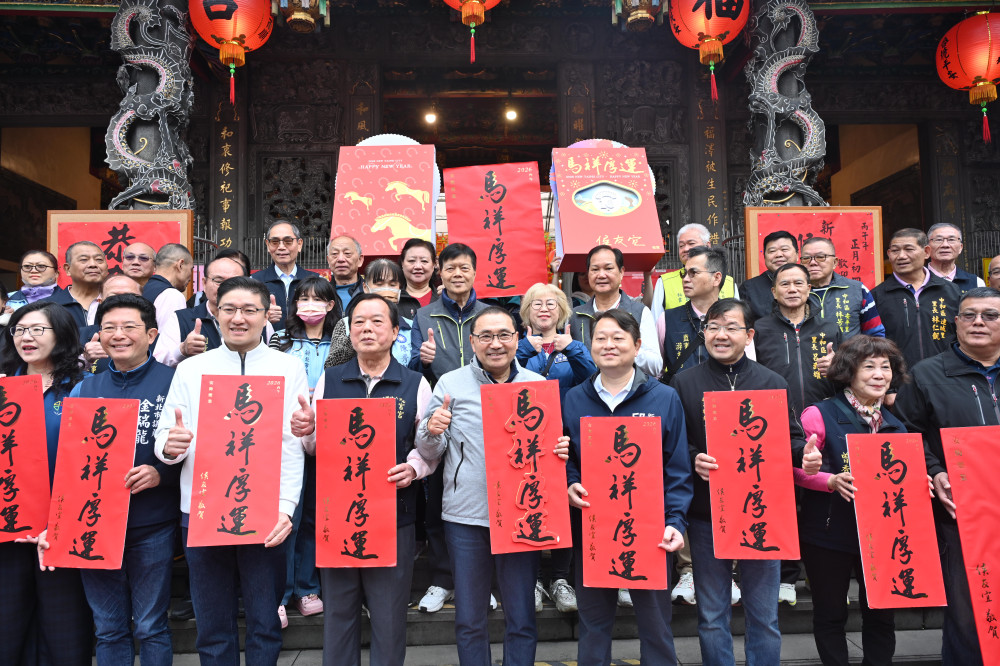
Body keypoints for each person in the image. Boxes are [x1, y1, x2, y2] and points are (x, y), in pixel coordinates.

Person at [154, 276, 308, 664]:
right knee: (212, 624)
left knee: (264, 621)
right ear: (215, 313)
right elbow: (168, 433)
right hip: (202, 511)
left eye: (249, 310)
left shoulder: (287, 368)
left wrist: (286, 507)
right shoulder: (192, 370)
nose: (238, 318)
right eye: (229, 309)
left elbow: (292, 446)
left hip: (267, 513)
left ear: (265, 314)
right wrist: (168, 448)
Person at [415, 306, 570, 666]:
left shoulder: (537, 387)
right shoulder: (451, 384)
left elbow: (550, 452)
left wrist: (562, 449)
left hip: (522, 515)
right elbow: (429, 451)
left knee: (521, 616)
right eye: (485, 336)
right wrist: (431, 430)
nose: (495, 344)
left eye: (504, 335)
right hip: (466, 516)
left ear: (518, 339)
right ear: (472, 342)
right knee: (470, 618)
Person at [670, 298, 821, 665]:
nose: (721, 335)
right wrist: (693, 459)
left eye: (731, 327)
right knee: (711, 613)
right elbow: (675, 442)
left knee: (764, 615)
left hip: (762, 512)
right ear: (703, 332)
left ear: (749, 335)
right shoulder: (684, 382)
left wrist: (806, 453)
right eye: (713, 326)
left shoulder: (771, 381)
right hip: (708, 512)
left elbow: (790, 436)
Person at [292, 293, 438, 666]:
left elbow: (427, 447)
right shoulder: (330, 380)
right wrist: (305, 431)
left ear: (394, 331)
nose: (367, 329)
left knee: (389, 617)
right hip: (339, 517)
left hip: (394, 516)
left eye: (377, 321)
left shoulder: (414, 384)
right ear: (348, 331)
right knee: (338, 614)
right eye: (358, 322)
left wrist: (415, 467)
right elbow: (313, 449)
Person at [563, 309, 692, 665]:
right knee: (593, 624)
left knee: (656, 626)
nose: (609, 345)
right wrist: (570, 482)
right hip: (594, 530)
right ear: (590, 347)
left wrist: (676, 521)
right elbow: (566, 457)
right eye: (600, 338)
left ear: (637, 346)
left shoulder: (663, 397)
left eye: (618, 338)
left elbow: (677, 468)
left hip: (650, 531)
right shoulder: (574, 399)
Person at [69, 293, 180, 665]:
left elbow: (201, 451)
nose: (118, 335)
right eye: (109, 328)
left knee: (150, 625)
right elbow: (71, 460)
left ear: (151, 335)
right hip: (95, 524)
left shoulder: (176, 383)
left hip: (152, 524)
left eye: (129, 327)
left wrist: (160, 472)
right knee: (108, 626)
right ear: (98, 336)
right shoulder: (85, 388)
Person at [893, 286, 1000, 666]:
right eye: (969, 315)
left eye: (990, 315)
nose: (978, 323)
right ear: (955, 322)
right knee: (969, 605)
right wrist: (934, 470)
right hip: (961, 510)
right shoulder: (926, 373)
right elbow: (904, 432)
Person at [796, 334, 907, 666]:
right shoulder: (819, 413)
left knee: (882, 615)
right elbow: (795, 471)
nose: (878, 375)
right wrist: (828, 480)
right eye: (869, 366)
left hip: (882, 535)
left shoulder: (895, 423)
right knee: (830, 614)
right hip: (829, 532)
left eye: (885, 368)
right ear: (848, 372)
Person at [0, 302, 91, 665]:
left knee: (63, 629)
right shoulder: (3, 386)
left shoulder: (82, 388)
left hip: (62, 528)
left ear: (62, 335)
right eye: (20, 330)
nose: (27, 337)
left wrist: (60, 521)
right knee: (7, 624)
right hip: (8, 526)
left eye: (38, 329)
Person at [408, 243, 489, 613]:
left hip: (484, 414)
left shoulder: (490, 314)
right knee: (439, 498)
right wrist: (421, 360)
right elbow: (413, 369)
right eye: (451, 268)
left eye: (465, 268)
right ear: (440, 272)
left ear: (475, 272)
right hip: (441, 414)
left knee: (484, 499)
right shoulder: (425, 316)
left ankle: (481, 581)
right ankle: (442, 578)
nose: (458, 274)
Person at [516, 282, 596, 613]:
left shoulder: (574, 346)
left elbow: (593, 379)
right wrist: (524, 349)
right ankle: (532, 578)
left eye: (552, 303)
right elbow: (504, 376)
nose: (544, 308)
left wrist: (573, 347)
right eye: (536, 303)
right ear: (526, 312)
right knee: (529, 504)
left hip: (565, 440)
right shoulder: (516, 345)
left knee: (563, 508)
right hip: (525, 439)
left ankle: (560, 578)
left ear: (562, 310)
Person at [268, 276, 338, 626]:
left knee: (314, 515)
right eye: (303, 299)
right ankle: (279, 593)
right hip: (286, 435)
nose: (309, 306)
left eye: (318, 300)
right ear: (293, 305)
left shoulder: (342, 340)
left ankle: (307, 588)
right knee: (287, 516)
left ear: (330, 305)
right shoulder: (280, 338)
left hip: (328, 436)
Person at [156, 251, 272, 367]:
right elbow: (157, 362)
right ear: (205, 283)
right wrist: (182, 350)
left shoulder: (260, 320)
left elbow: (274, 364)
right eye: (218, 281)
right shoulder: (181, 319)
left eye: (234, 282)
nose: (226, 288)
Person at [753, 263, 840, 416]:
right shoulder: (759, 329)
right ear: (774, 292)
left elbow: (852, 373)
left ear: (808, 289)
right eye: (784, 284)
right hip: (773, 413)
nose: (792, 289)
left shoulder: (830, 329)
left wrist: (839, 366)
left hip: (824, 414)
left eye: (798, 283)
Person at [568, 245, 662, 378]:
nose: (601, 275)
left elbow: (655, 366)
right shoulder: (575, 315)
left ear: (621, 272)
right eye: (595, 269)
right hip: (587, 394)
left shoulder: (639, 312)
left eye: (608, 268)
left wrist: (626, 350)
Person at [872, 228, 961, 369]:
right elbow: (872, 346)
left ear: (926, 252)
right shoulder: (877, 296)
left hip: (946, 379)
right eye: (895, 251)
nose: (901, 256)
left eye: (909, 249)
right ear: (889, 254)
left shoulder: (951, 291)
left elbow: (961, 338)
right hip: (899, 383)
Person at [326, 259, 415, 369]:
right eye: (379, 284)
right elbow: (332, 366)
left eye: (392, 284)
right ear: (365, 288)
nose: (386, 289)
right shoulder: (345, 324)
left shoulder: (411, 326)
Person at [659, 245, 727, 382]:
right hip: (679, 399)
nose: (685, 279)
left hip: (721, 398)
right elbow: (656, 370)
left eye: (693, 273)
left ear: (716, 278)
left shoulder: (734, 319)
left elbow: (747, 367)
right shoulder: (667, 319)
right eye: (684, 274)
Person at [646, 223, 738, 320]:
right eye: (681, 245)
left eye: (691, 243)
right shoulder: (665, 282)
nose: (685, 249)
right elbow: (656, 323)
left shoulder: (729, 283)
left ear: (707, 245)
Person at [801, 236, 885, 339]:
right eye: (806, 258)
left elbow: (875, 334)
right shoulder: (795, 292)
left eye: (820, 257)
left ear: (835, 262)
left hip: (849, 355)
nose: (813, 262)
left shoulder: (857, 290)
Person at [253, 220, 324, 329]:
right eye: (275, 242)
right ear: (267, 245)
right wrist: (263, 316)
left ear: (299, 244)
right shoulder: (254, 282)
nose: (281, 247)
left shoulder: (316, 281)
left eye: (288, 241)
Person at [80, 274, 144, 374]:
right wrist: (85, 360)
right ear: (100, 302)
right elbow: (57, 377)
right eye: (113, 297)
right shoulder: (80, 335)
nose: (121, 302)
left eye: (129, 296)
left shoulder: (155, 336)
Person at [42, 240, 108, 327]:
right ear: (67, 269)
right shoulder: (46, 306)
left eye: (99, 260)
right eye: (84, 260)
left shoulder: (115, 303)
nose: (93, 264)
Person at [742, 230, 799, 321]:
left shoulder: (809, 282)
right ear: (764, 257)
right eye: (772, 251)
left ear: (797, 255)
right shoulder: (749, 288)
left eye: (784, 249)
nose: (779, 255)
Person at [142, 243, 193, 331]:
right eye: (191, 269)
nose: (190, 276)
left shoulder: (146, 288)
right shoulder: (172, 295)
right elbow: (171, 340)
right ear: (180, 265)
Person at [926, 222, 984, 294]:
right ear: (927, 248)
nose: (945, 245)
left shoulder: (976, 282)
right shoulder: (916, 279)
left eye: (951, 240)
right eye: (939, 240)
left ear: (960, 247)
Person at [399, 238, 439, 320]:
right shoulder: (394, 299)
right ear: (402, 263)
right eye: (411, 261)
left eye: (424, 261)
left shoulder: (443, 299)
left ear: (434, 264)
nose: (417, 266)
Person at [328, 235, 365, 312]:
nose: (340, 259)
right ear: (328, 260)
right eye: (335, 254)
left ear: (360, 260)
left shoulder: (370, 291)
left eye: (347, 253)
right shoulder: (320, 294)